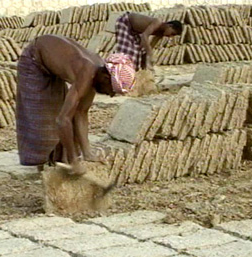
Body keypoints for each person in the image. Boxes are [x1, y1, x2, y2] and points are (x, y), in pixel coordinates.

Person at [16, 34, 136, 174]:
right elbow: (63, 120)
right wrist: (74, 161)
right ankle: (42, 166)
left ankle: (57, 164)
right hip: (34, 59)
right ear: (105, 77)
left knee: (60, 109)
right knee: (42, 117)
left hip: (50, 61)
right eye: (112, 90)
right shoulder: (86, 72)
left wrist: (87, 153)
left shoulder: (96, 73)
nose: (110, 95)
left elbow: (81, 112)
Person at [115, 12, 183, 71]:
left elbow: (149, 46)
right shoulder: (157, 22)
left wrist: (146, 58)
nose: (170, 36)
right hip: (125, 22)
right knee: (129, 52)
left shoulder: (160, 34)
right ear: (170, 26)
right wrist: (149, 52)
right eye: (172, 33)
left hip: (134, 32)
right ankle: (120, 72)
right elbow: (144, 36)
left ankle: (134, 74)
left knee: (138, 52)